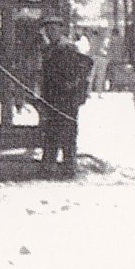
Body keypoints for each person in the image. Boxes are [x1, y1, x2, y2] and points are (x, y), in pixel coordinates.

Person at [37, 22, 92, 178]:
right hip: (52, 96)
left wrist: (73, 84)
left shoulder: (68, 47)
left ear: (60, 30)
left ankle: (68, 167)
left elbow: (86, 64)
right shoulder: (49, 48)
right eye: (47, 30)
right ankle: (49, 166)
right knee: (51, 131)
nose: (50, 33)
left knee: (67, 132)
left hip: (66, 97)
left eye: (53, 30)